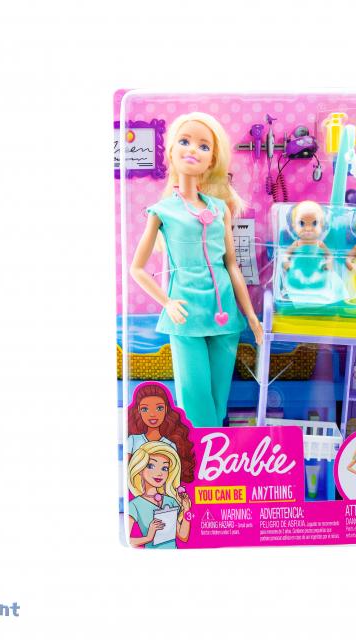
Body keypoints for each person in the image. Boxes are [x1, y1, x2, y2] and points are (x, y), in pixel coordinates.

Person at [130, 113, 263, 428]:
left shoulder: (220, 208)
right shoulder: (162, 212)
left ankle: (212, 453)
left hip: (224, 312)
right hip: (185, 312)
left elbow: (231, 264)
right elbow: (137, 269)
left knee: (218, 399)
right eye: (185, 141)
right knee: (195, 399)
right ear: (171, 150)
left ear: (212, 159)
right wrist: (167, 302)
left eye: (204, 146)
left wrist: (251, 315)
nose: (192, 150)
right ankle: (203, 453)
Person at [127, 382, 195, 484]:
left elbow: (172, 476)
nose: (152, 414)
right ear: (139, 411)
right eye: (145, 409)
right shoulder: (133, 440)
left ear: (166, 409)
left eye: (159, 408)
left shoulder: (170, 445)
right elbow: (127, 472)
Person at [128, 442, 192, 549]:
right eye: (151, 466)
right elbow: (128, 541)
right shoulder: (134, 505)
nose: (159, 473)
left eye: (165, 468)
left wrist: (186, 509)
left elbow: (183, 536)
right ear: (139, 469)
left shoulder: (170, 501)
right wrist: (149, 537)